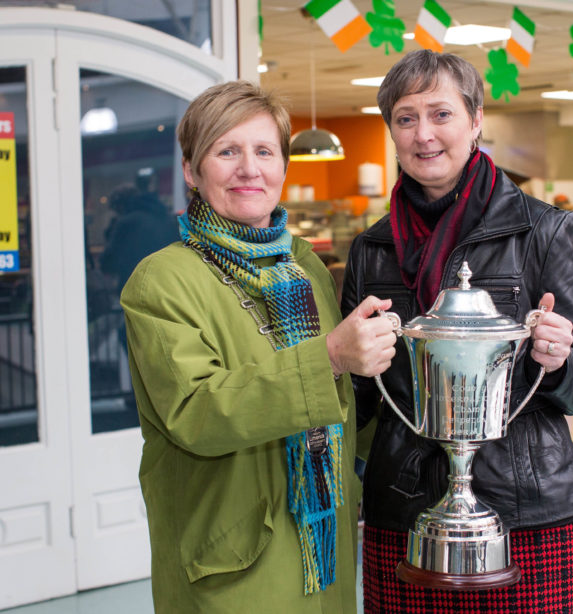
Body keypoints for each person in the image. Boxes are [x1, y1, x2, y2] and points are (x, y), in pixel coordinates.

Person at [341, 50, 573, 613]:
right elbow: (358, 404)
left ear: (476, 119)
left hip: (527, 508)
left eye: (441, 114)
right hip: (404, 506)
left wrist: (557, 360)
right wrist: (347, 362)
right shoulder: (372, 249)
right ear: (391, 130)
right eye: (406, 118)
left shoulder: (545, 231)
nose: (424, 135)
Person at [120, 81, 397, 613]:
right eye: (227, 151)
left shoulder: (303, 266)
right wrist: (331, 357)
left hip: (325, 552)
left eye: (264, 151)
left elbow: (344, 406)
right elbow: (197, 414)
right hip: (233, 562)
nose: (250, 169)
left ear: (283, 168)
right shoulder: (161, 280)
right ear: (191, 171)